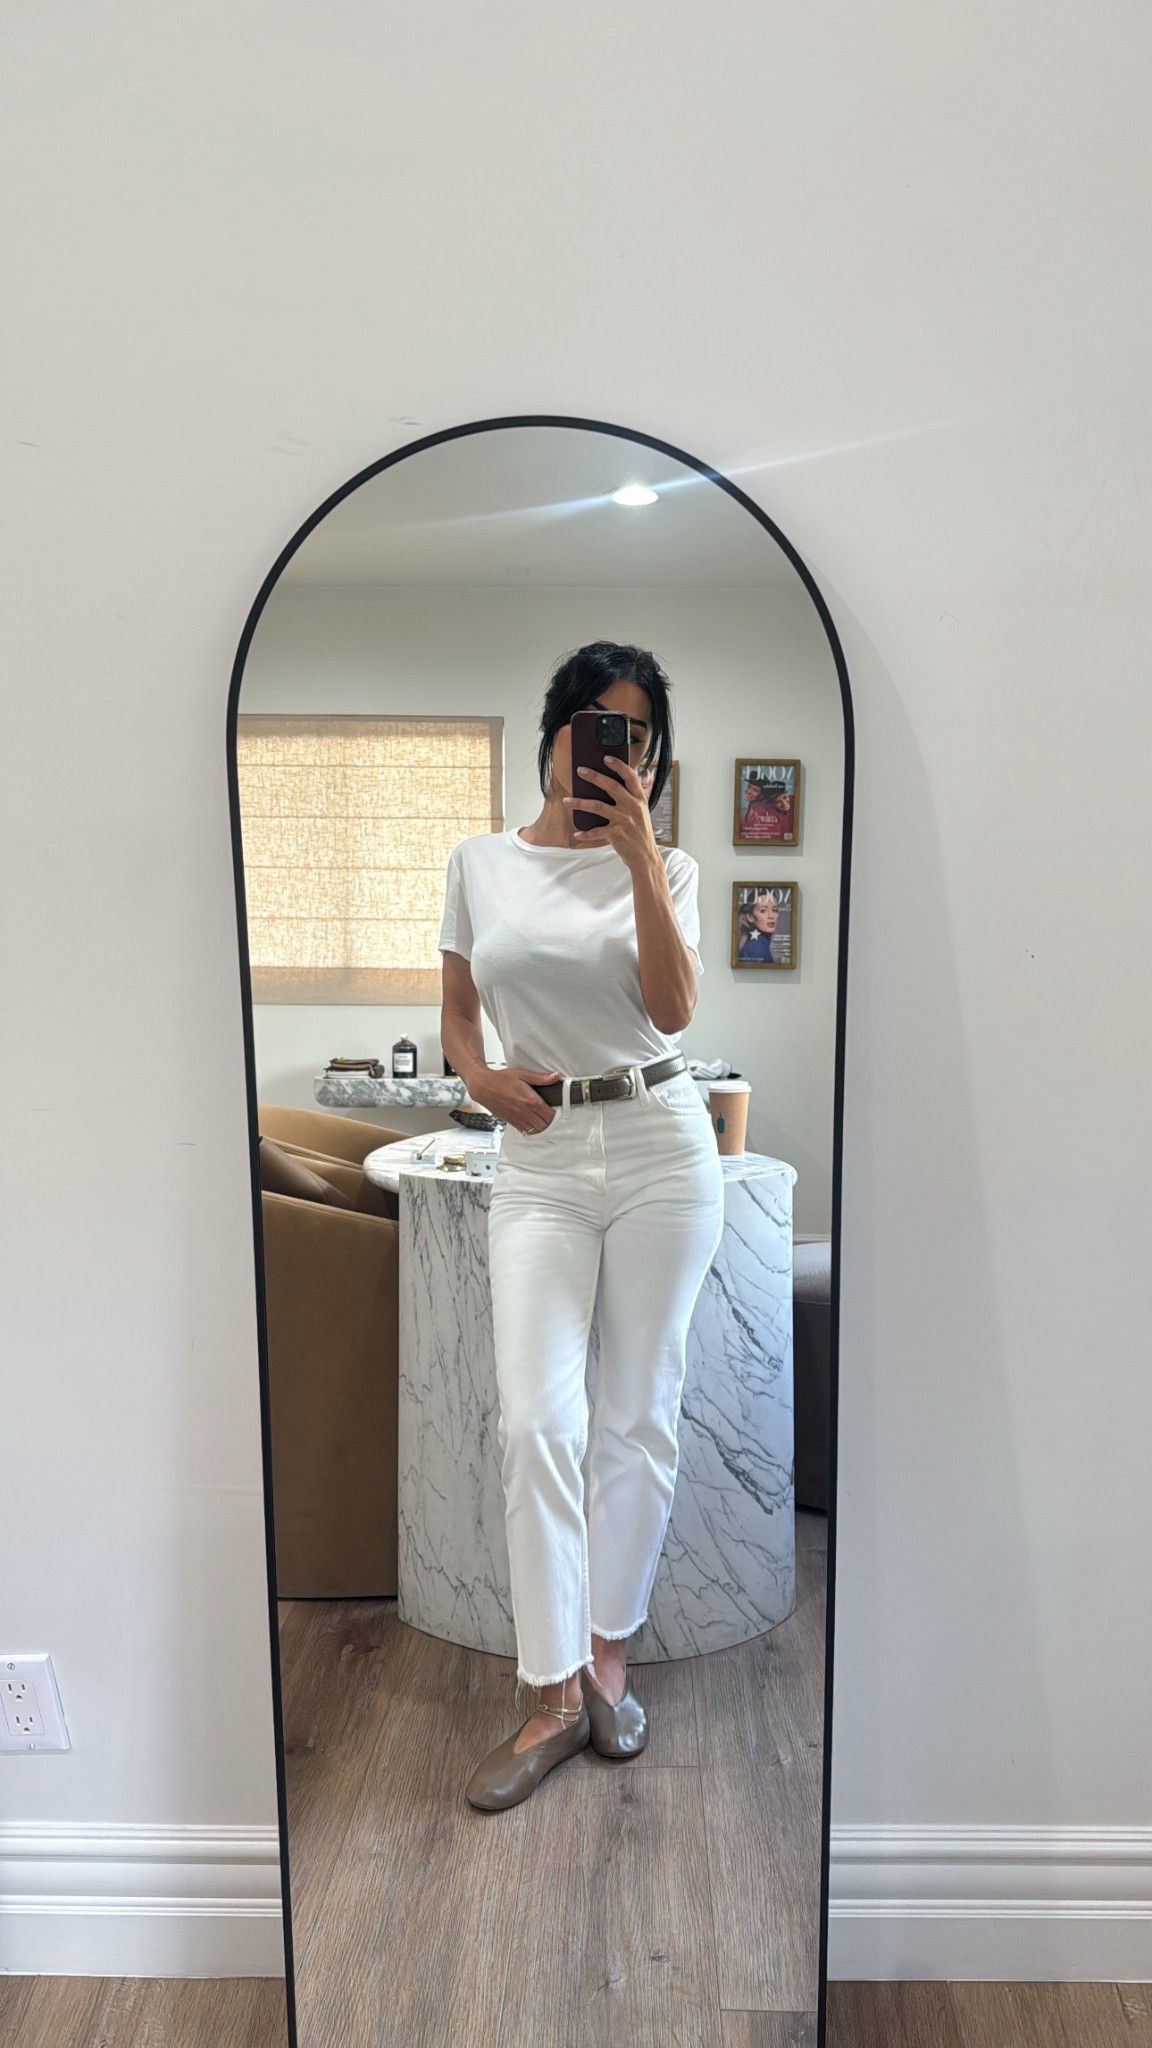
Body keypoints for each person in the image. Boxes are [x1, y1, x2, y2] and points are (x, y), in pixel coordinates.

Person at [438, 641, 725, 1811]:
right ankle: (550, 1693)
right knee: (537, 1422)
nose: (614, 747)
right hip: (542, 1157)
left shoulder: (672, 864)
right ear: (555, 730)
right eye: (597, 723)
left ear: (651, 761)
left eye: (637, 736)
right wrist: (480, 1078)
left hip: (661, 1141)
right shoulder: (480, 862)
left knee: (639, 1412)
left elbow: (673, 1008)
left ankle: (608, 1661)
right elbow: (459, 1013)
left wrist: (641, 858)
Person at [738, 889, 782, 962]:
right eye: (763, 911)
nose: (771, 916)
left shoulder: (755, 943)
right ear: (750, 917)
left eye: (775, 910)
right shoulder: (757, 946)